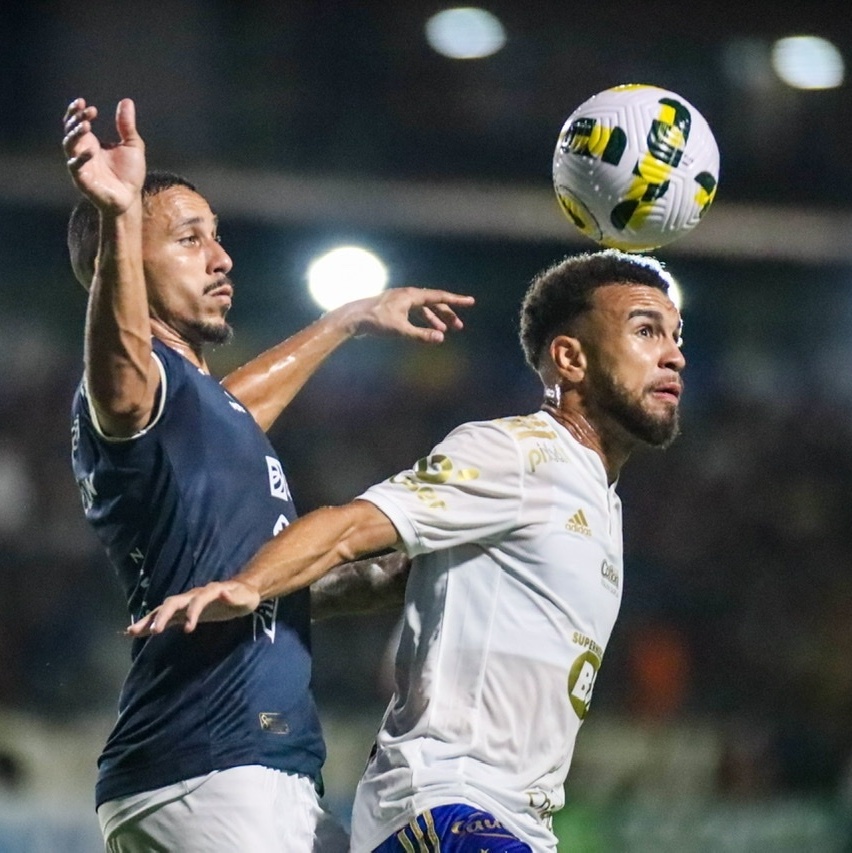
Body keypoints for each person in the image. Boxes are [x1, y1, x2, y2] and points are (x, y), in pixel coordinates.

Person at [129, 247, 686, 851]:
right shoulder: (521, 453)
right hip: (446, 804)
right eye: (646, 330)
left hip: (516, 822)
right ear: (570, 358)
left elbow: (396, 576)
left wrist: (284, 599)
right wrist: (250, 585)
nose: (674, 354)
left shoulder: (600, 498)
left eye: (676, 335)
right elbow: (352, 526)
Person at [62, 96, 474, 853]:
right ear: (123, 261)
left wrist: (348, 319)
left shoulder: (202, 412)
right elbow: (121, 371)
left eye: (216, 237)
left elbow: (238, 407)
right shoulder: (128, 392)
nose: (221, 257)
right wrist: (119, 214)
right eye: (190, 240)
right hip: (214, 766)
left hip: (229, 770)